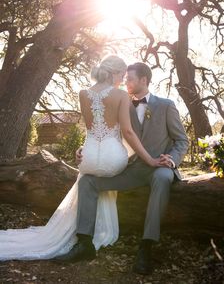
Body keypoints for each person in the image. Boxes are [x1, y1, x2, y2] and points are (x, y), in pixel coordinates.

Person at [0, 55, 162, 262]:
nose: (123, 80)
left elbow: (91, 130)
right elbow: (128, 133)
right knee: (108, 169)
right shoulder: (121, 95)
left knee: (87, 179)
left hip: (88, 156)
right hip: (113, 160)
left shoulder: (83, 93)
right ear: (114, 73)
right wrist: (149, 159)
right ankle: (100, 233)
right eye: (122, 75)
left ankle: (83, 240)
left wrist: (84, 149)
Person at [61, 61, 189, 275]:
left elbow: (182, 140)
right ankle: (84, 243)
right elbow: (102, 131)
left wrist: (172, 159)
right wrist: (84, 149)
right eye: (125, 77)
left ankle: (146, 246)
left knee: (163, 179)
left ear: (144, 80)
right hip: (131, 169)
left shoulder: (166, 105)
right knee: (87, 181)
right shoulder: (121, 101)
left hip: (160, 166)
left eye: (130, 78)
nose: (124, 81)